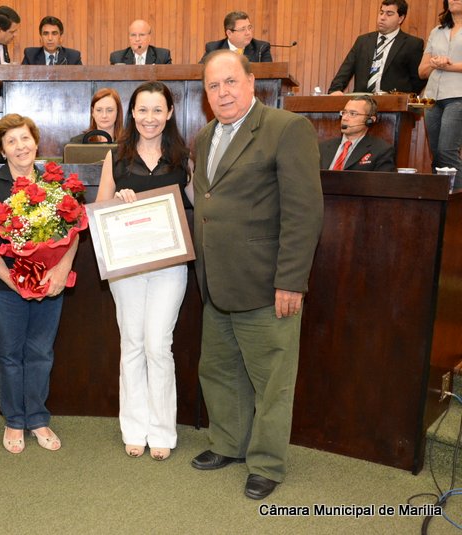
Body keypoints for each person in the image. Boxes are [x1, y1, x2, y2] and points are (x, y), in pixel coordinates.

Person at [191, 50, 323, 500]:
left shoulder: (287, 129)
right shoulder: (205, 137)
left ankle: (267, 463)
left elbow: (304, 213)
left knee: (271, 382)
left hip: (267, 284)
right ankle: (228, 443)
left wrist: (291, 280)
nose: (223, 92)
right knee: (219, 370)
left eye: (231, 81)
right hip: (216, 282)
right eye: (213, 86)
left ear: (251, 82)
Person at [95, 81, 193, 461]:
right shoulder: (115, 157)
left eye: (157, 110)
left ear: (169, 113)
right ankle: (134, 429)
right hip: (128, 268)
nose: (149, 118)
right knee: (133, 344)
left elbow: (200, 205)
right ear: (132, 113)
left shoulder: (183, 157)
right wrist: (119, 204)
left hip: (170, 266)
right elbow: (99, 213)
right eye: (142, 110)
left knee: (158, 345)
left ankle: (162, 430)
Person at [0, 114, 78, 454]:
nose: (20, 147)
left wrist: (60, 270)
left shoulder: (54, 181)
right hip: (4, 286)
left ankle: (38, 418)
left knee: (41, 352)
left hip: (49, 282)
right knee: (10, 354)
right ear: (2, 150)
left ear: (36, 142)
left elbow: (74, 229)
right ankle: (14, 420)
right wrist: (15, 280)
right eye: (11, 141)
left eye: (25, 138)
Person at [328, 0, 424, 94]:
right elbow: (345, 70)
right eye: (381, 13)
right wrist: (335, 90)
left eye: (389, 14)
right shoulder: (363, 41)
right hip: (361, 100)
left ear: (400, 18)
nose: (382, 17)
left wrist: (402, 98)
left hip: (392, 101)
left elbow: (418, 80)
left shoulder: (412, 44)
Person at [419, 0, 462, 179]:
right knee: (436, 154)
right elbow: (422, 71)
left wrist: (446, 65)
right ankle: (440, 196)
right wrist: (434, 62)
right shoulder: (436, 31)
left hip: (458, 96)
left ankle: (456, 195)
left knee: (447, 152)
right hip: (431, 99)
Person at [319, 95, 396, 171]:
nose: (344, 118)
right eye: (344, 112)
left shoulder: (381, 150)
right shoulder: (322, 147)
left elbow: (383, 179)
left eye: (353, 114)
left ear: (370, 120)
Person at [201, 11, 272, 63]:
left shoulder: (261, 48)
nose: (248, 33)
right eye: (242, 29)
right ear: (229, 33)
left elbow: (269, 76)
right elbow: (200, 73)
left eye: (249, 27)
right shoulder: (214, 49)